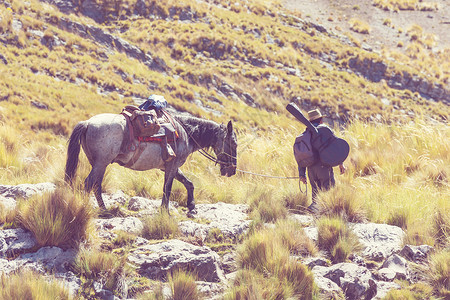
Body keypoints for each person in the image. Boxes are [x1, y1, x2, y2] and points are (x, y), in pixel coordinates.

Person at [298, 109, 346, 213]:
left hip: (310, 170)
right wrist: (341, 163)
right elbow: (335, 147)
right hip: (324, 168)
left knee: (316, 195)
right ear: (320, 120)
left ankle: (315, 218)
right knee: (329, 193)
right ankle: (329, 219)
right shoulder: (325, 130)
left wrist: (302, 173)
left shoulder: (306, 133)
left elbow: (302, 155)